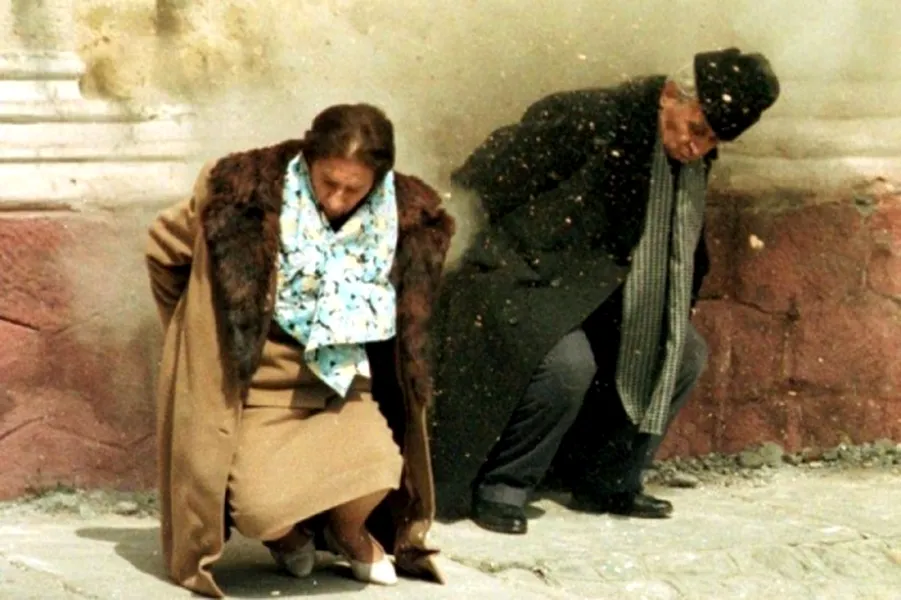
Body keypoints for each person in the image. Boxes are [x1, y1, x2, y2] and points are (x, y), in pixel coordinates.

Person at [430, 48, 780, 534]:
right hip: (518, 276)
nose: (697, 148)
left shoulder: (688, 161)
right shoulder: (587, 118)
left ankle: (608, 480)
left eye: (712, 140)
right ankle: (503, 485)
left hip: (595, 292)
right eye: (696, 129)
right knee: (568, 365)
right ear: (669, 94)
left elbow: (680, 253)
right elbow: (480, 182)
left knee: (682, 352)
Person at [145, 103, 455, 597]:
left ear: (378, 180)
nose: (337, 199)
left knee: (382, 472)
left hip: (342, 381)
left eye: (354, 189)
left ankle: (348, 533)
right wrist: (192, 333)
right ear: (309, 158)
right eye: (327, 182)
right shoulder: (243, 194)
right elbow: (163, 251)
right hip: (262, 387)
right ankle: (287, 537)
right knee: (261, 510)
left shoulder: (405, 217)